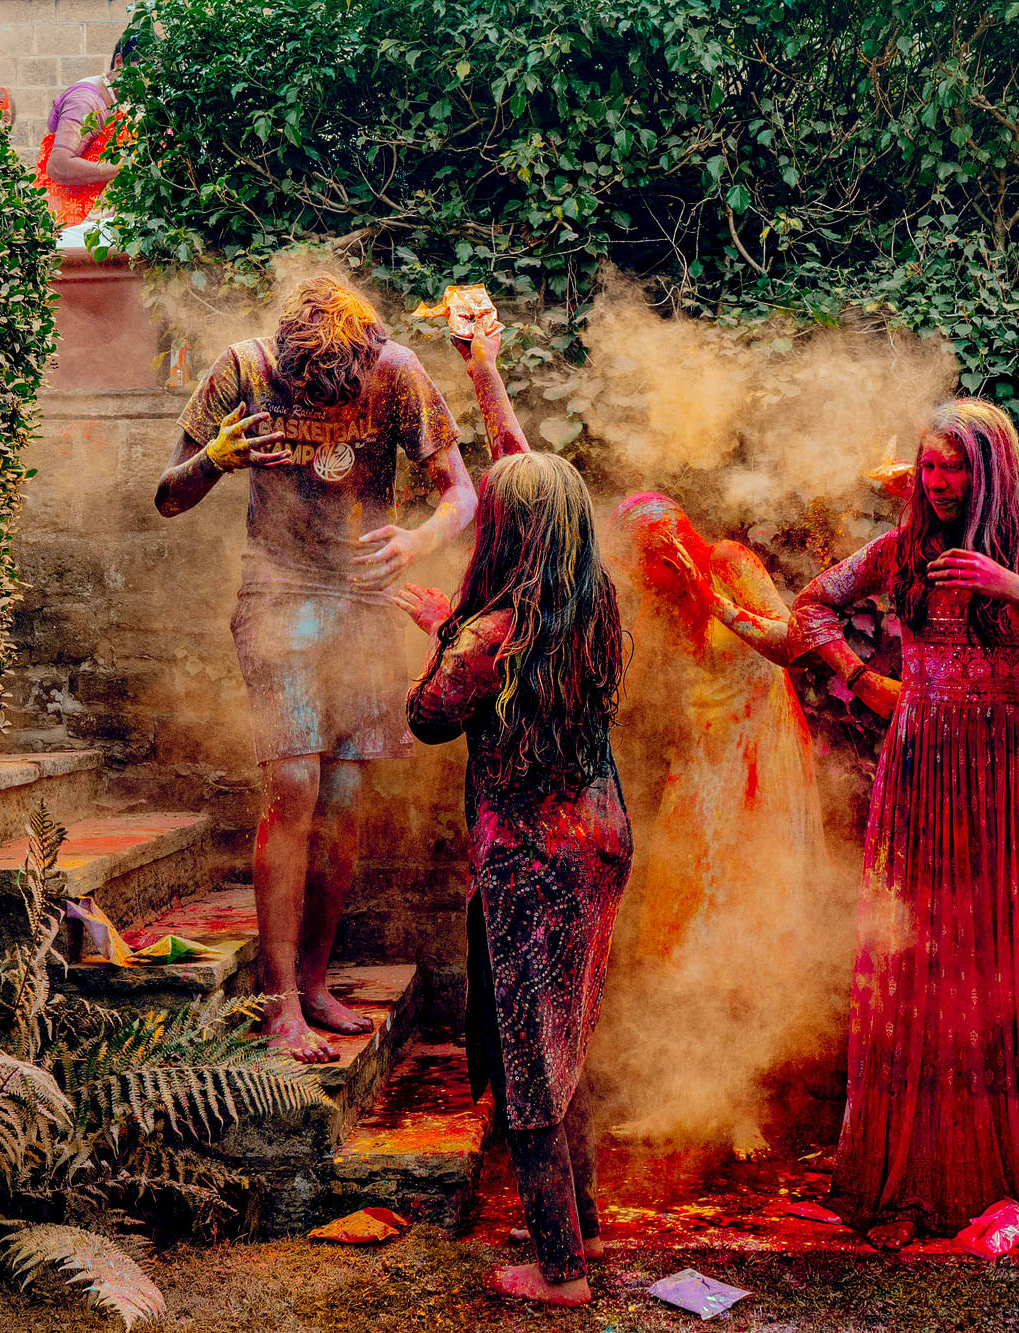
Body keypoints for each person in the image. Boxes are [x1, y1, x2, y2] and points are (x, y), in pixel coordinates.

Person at [791, 398, 1019, 1243]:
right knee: (922, 958)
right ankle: (915, 1166)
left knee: (1018, 965)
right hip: (923, 770)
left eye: (957, 468)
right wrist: (865, 682)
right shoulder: (903, 549)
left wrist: (1017, 592)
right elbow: (811, 606)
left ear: (993, 469)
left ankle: (1016, 1165)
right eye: (930, 468)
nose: (941, 483)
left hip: (1012, 776)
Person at [155, 275, 476, 1061]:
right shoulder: (242, 368)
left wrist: (418, 541)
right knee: (294, 785)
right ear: (289, 369)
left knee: (343, 796)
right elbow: (166, 496)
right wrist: (213, 462)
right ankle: (277, 1006)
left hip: (363, 599)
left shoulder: (397, 370)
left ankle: (315, 982)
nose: (332, 418)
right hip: (277, 592)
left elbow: (462, 493)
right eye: (315, 402)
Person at [396, 452, 630, 1308]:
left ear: (505, 532)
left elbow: (426, 717)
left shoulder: (489, 638)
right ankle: (586, 1220)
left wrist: (444, 633)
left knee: (531, 1058)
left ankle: (560, 1269)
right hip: (599, 846)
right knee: (567, 1042)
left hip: (532, 863)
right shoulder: (590, 601)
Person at [600, 493, 834, 1161]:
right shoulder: (660, 599)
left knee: (744, 933)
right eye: (642, 562)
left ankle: (739, 1107)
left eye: (655, 556)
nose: (652, 569)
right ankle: (679, 1095)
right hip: (701, 766)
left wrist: (703, 587)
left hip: (759, 762)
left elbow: (788, 640)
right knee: (681, 931)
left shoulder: (728, 562)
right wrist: (640, 616)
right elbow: (633, 691)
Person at [32, 27, 145, 231]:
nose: (148, 82)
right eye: (144, 71)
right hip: (70, 226)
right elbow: (58, 165)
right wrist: (125, 169)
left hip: (97, 227)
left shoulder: (120, 100)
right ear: (119, 62)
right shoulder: (86, 101)